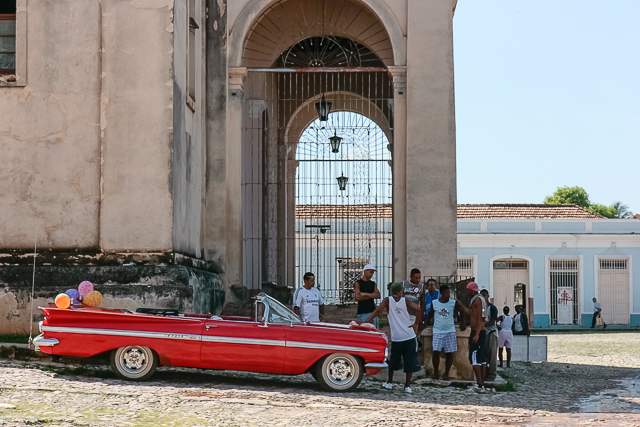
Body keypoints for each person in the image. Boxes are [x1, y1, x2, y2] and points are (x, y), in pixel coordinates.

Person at [362, 282, 421, 393]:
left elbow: (377, 311)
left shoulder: (387, 301)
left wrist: (366, 322)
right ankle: (407, 386)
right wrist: (416, 324)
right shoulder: (405, 300)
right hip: (409, 336)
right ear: (400, 291)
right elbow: (418, 309)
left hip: (397, 338)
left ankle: (389, 382)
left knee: (393, 361)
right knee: (409, 361)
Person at [426, 284, 466, 380]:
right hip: (437, 331)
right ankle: (436, 372)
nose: (448, 295)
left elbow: (462, 311)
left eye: (449, 293)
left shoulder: (453, 302)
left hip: (450, 331)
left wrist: (463, 323)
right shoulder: (435, 303)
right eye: (446, 293)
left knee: (450, 353)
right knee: (436, 352)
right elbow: (430, 314)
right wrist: (423, 325)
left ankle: (446, 373)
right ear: (441, 293)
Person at [466, 282, 488, 393]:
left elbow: (480, 318)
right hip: (478, 331)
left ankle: (480, 385)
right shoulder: (476, 300)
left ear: (472, 290)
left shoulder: (478, 300)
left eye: (468, 290)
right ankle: (481, 383)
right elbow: (473, 314)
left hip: (478, 332)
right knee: (482, 358)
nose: (467, 292)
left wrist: (477, 334)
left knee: (474, 357)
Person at [354, 264, 381, 329]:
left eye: (373, 273)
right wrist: (372, 295)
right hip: (363, 312)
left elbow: (378, 295)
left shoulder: (373, 284)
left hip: (373, 312)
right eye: (370, 272)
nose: (371, 274)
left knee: (375, 330)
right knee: (364, 331)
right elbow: (357, 297)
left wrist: (365, 294)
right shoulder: (358, 283)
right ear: (365, 271)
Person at [480, 289, 499, 382]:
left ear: (488, 296)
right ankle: (485, 373)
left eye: (484, 295)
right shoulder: (480, 308)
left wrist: (482, 325)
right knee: (484, 354)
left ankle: (492, 374)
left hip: (491, 333)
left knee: (492, 354)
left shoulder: (492, 308)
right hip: (482, 333)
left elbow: (492, 322)